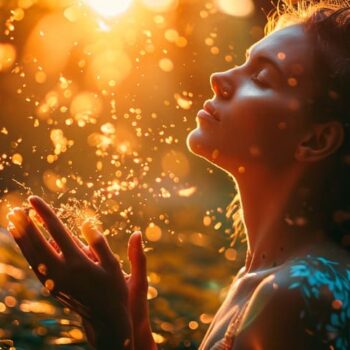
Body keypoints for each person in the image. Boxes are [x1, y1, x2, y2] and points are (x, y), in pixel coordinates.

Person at [6, 1, 350, 349]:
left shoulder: (297, 293)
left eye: (261, 77)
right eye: (244, 63)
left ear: (316, 139)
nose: (220, 78)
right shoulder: (276, 277)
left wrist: (111, 324)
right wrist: (131, 323)